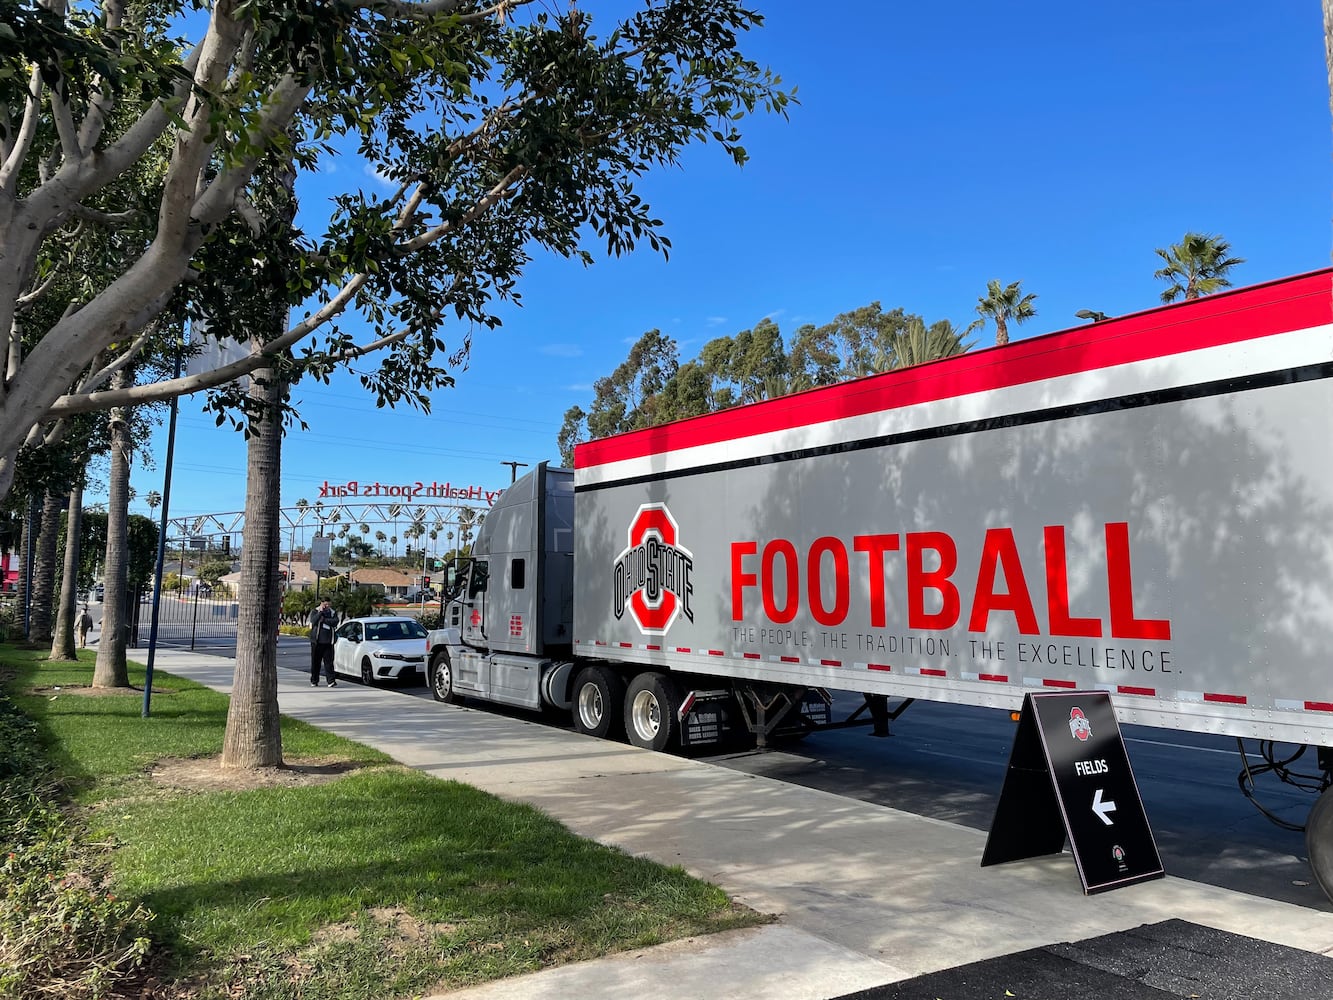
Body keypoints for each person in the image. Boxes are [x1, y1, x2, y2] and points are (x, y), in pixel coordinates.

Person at [308, 599, 339, 687]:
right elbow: (313, 621)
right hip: (317, 642)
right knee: (315, 662)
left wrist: (324, 620)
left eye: (328, 605)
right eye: (325, 605)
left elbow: (335, 622)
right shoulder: (315, 611)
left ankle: (331, 681)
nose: (327, 607)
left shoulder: (333, 613)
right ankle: (314, 680)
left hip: (328, 642)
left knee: (329, 662)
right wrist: (320, 613)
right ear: (321, 604)